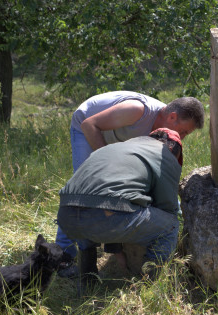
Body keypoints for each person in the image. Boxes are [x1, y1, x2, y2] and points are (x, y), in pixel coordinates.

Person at [57, 91, 204, 277]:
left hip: (65, 211)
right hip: (86, 126)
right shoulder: (138, 110)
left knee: (88, 196)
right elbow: (89, 124)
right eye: (183, 132)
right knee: (91, 191)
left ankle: (88, 276)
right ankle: (63, 255)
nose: (182, 138)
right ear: (172, 117)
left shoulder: (152, 133)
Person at [56, 128, 184, 283]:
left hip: (66, 216)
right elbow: (168, 207)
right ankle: (150, 285)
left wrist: (116, 250)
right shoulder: (164, 155)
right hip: (106, 216)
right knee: (169, 226)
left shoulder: (113, 148)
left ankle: (86, 283)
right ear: (171, 150)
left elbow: (109, 196)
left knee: (92, 221)